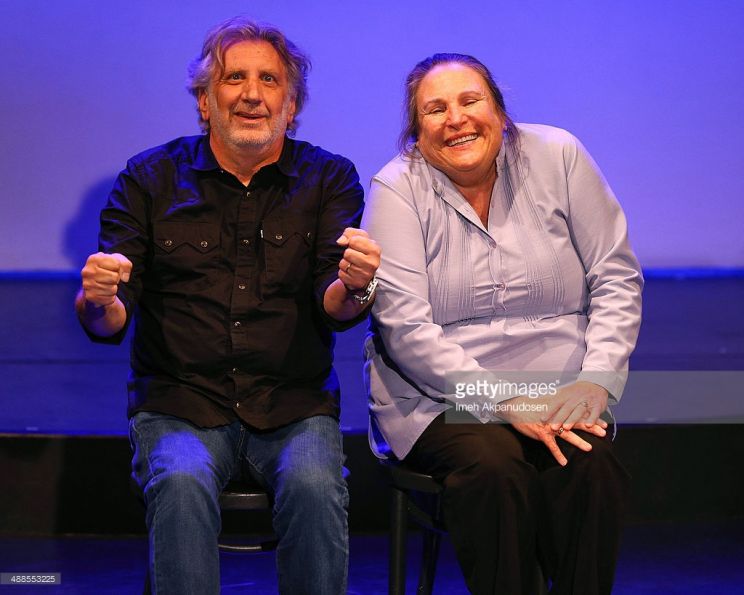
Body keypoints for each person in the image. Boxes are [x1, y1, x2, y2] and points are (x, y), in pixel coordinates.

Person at [75, 17, 380, 595]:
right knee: (181, 481)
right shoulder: (148, 179)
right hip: (180, 402)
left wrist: (356, 284)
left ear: (291, 106)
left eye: (269, 80)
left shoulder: (329, 178)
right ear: (204, 101)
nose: (251, 94)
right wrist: (98, 297)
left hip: (292, 404)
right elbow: (108, 320)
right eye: (234, 78)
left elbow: (336, 306)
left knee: (316, 487)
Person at [362, 53, 642, 594]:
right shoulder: (396, 187)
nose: (457, 119)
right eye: (435, 110)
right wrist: (503, 400)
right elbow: (405, 328)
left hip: (557, 385)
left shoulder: (559, 155)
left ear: (500, 112)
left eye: (471, 101)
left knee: (591, 466)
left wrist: (596, 379)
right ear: (416, 131)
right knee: (493, 467)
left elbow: (616, 275)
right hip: (439, 396)